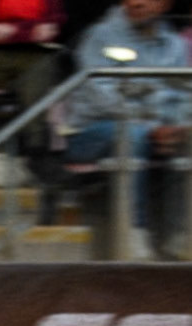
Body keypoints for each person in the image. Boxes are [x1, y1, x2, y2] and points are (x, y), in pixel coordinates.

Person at [62, 0, 188, 257]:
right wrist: (152, 126)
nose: (137, 2)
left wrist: (177, 127)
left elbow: (183, 95)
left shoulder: (175, 45)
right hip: (89, 133)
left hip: (149, 130)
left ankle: (181, 235)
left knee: (186, 139)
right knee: (132, 135)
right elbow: (103, 97)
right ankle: (133, 233)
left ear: (165, 4)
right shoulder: (100, 35)